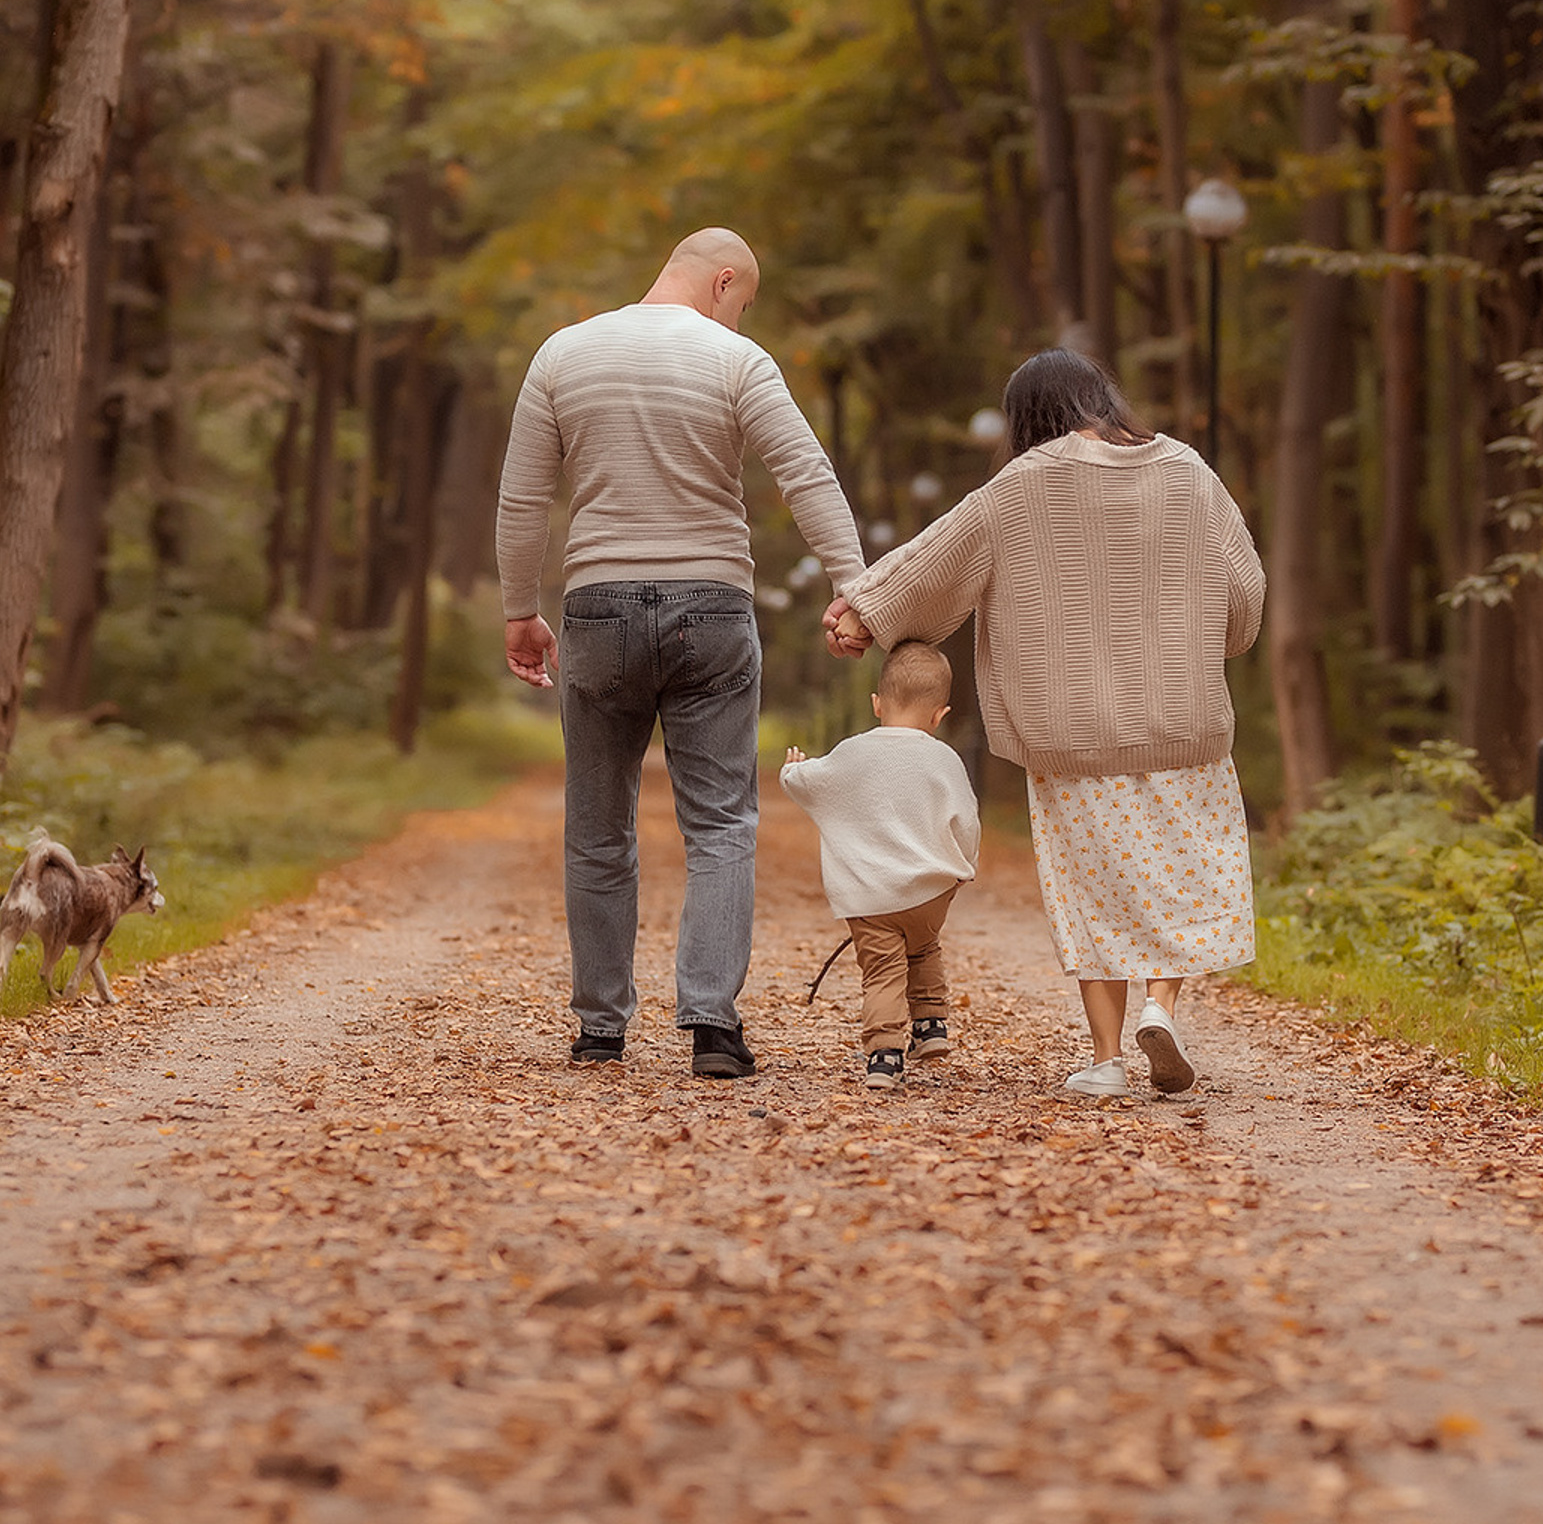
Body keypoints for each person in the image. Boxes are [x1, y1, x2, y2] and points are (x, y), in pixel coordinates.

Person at [825, 349, 1264, 1099]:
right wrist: (1206, 646)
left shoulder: (1022, 485)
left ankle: (1107, 1059)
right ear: (1101, 398)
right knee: (1183, 881)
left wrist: (862, 611)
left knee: (1092, 893)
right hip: (1183, 722)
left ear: (1028, 418)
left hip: (1070, 738)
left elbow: (937, 561)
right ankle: (1161, 1006)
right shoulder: (1191, 471)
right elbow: (1245, 590)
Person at [496, 227, 865, 1077]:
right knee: (723, 822)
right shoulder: (738, 363)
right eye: (741, 305)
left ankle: (599, 1029)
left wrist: (522, 610)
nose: (738, 320)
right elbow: (806, 474)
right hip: (713, 609)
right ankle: (712, 1028)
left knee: (595, 828)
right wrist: (856, 586)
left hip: (596, 610)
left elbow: (524, 500)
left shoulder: (562, 353)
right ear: (723, 281)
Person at [778, 640, 980, 1093]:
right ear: (939, 715)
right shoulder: (945, 759)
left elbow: (813, 785)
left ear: (876, 704)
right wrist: (965, 865)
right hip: (931, 890)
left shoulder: (852, 752)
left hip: (870, 896)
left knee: (883, 971)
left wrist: (792, 772)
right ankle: (931, 1027)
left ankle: (885, 1055)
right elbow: (967, 819)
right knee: (924, 948)